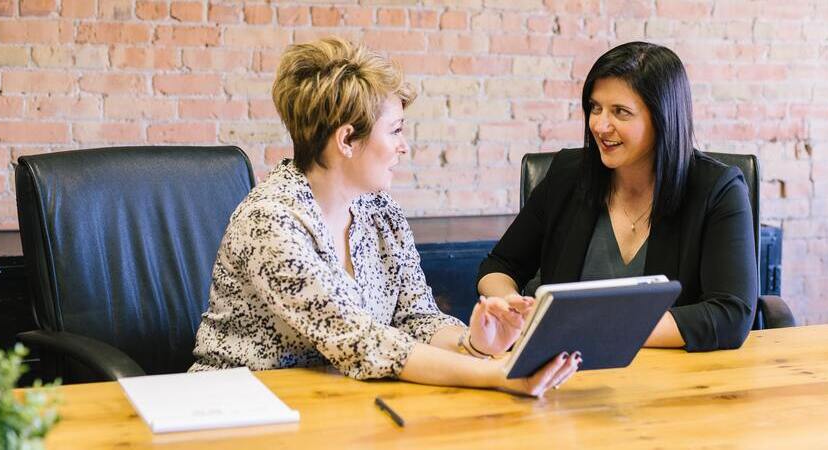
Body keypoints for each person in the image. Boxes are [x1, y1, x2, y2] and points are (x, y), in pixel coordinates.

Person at [190, 37, 578, 396]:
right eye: (394, 131)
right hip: (237, 406)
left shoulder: (380, 212)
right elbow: (360, 341)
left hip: (339, 402)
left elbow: (417, 318)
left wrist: (474, 343)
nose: (403, 147)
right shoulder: (271, 221)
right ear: (346, 140)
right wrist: (498, 374)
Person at [477, 42, 759, 352]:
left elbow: (730, 314)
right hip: (566, 373)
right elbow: (499, 265)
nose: (600, 125)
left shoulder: (718, 190)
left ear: (663, 118)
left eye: (620, 112)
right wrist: (509, 306)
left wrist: (593, 328)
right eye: (595, 108)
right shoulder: (568, 175)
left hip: (673, 378)